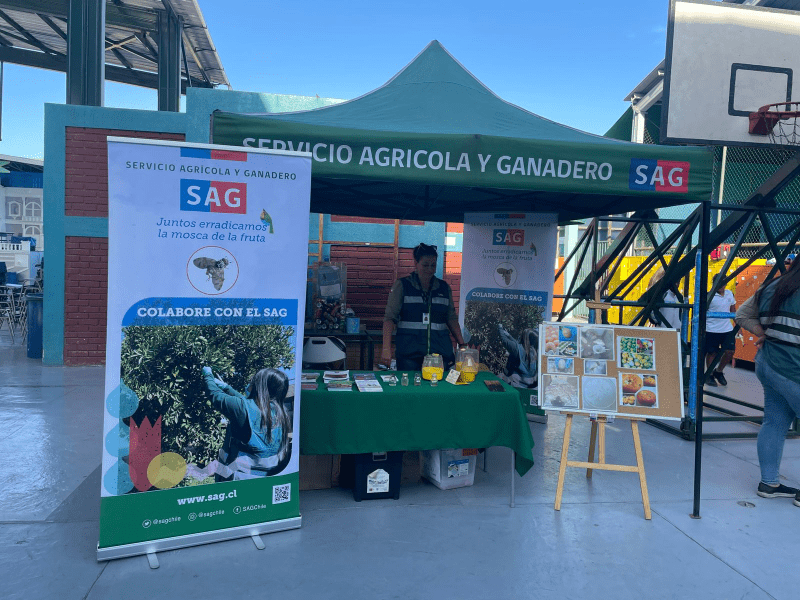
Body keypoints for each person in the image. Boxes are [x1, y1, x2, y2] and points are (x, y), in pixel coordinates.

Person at [735, 258, 800, 504]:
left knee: (774, 423)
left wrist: (765, 333)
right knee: (774, 423)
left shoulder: (774, 285)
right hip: (795, 369)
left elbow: (742, 314)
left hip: (768, 364)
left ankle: (769, 483)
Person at [381, 243, 465, 371]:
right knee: (411, 390)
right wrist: (386, 349)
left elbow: (451, 318)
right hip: (410, 354)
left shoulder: (444, 288)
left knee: (439, 390)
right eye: (425, 265)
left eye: (433, 265)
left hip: (440, 354)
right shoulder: (402, 286)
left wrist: (462, 344)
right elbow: (389, 319)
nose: (430, 269)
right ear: (416, 263)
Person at [202, 366, 290, 480]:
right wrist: (227, 387)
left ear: (260, 387)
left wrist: (208, 375)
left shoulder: (242, 408)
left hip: (237, 479)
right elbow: (246, 405)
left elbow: (215, 394)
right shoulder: (282, 413)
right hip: (267, 477)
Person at [704, 274, 736, 387]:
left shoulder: (729, 294)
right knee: (712, 352)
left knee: (730, 352)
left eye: (723, 283)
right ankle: (709, 374)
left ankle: (719, 371)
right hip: (712, 329)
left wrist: (738, 326)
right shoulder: (709, 295)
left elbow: (733, 311)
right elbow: (702, 313)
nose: (721, 285)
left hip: (727, 329)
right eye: (718, 283)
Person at [497, 323, 538, 389]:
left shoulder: (518, 349)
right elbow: (516, 345)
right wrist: (509, 335)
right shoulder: (534, 351)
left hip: (516, 384)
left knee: (499, 378)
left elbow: (504, 341)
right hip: (529, 385)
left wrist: (500, 327)